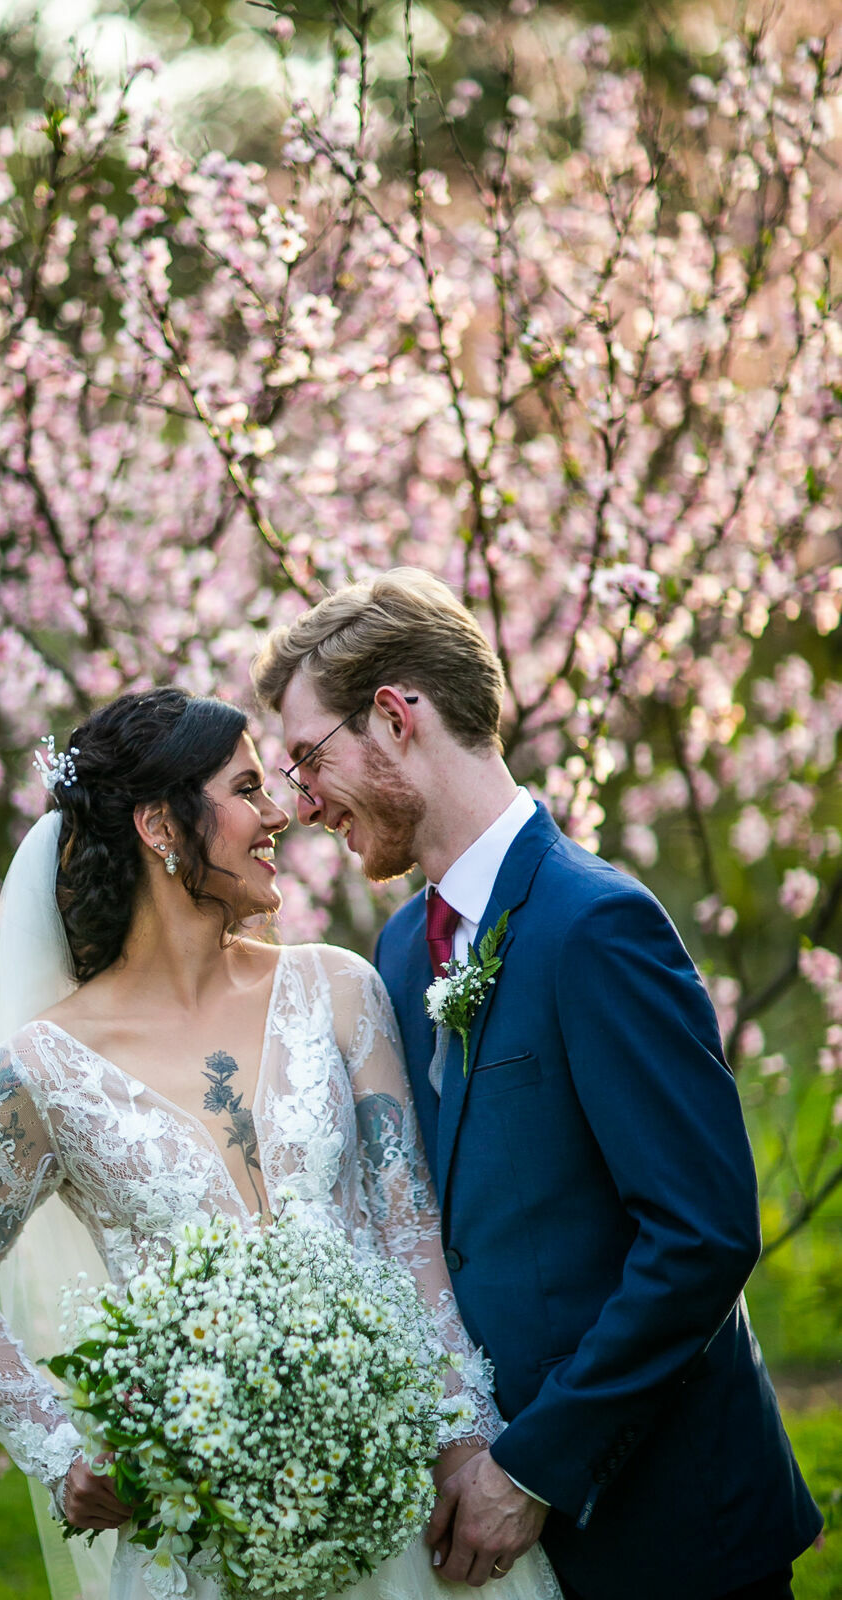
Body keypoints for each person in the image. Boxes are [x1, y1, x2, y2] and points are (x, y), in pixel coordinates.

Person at [0, 686, 560, 1600]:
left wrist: (466, 1443)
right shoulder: (44, 1070)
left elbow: (410, 1237)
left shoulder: (339, 990)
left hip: (399, 1505)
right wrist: (58, 1451)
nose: (280, 814)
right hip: (205, 1537)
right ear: (158, 826)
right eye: (247, 790)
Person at [252, 567, 823, 1600]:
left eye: (306, 759)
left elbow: (700, 1235)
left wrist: (533, 1466)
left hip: (668, 1536)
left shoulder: (595, 925)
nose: (300, 803)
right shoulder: (397, 951)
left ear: (393, 718)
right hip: (493, 1545)